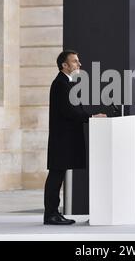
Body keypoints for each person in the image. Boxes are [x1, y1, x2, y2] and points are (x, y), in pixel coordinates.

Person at [44, 50, 106, 225]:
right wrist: (91, 118)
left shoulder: (67, 83)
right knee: (56, 174)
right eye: (75, 61)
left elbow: (76, 110)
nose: (79, 64)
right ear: (64, 65)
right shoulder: (60, 84)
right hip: (62, 138)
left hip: (65, 138)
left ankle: (53, 213)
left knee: (58, 174)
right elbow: (69, 111)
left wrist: (91, 116)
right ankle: (50, 214)